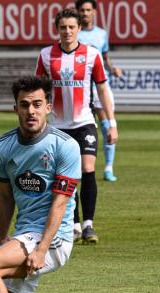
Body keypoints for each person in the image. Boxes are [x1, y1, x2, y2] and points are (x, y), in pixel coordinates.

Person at [0, 75, 79, 293]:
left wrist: (42, 248)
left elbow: (60, 203)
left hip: (54, 238)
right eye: (24, 105)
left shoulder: (66, 146)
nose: (30, 111)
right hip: (25, 234)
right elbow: (5, 195)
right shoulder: (0, 148)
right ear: (15, 109)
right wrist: (0, 236)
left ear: (49, 107)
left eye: (37, 104)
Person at [35, 7, 118, 244]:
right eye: (63, 27)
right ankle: (73, 224)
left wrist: (111, 123)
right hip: (57, 126)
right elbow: (39, 90)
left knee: (87, 169)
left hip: (84, 122)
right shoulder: (46, 55)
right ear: (57, 29)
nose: (67, 31)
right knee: (63, 175)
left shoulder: (92, 55)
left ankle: (89, 225)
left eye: (72, 27)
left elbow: (102, 88)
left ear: (79, 28)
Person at [76, 0, 122, 182]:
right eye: (82, 10)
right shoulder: (74, 32)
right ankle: (77, 166)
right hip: (80, 88)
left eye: (88, 10)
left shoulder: (102, 34)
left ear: (94, 12)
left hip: (99, 87)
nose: (85, 13)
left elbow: (104, 58)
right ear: (77, 12)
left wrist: (112, 68)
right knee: (77, 129)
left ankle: (108, 168)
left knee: (106, 126)